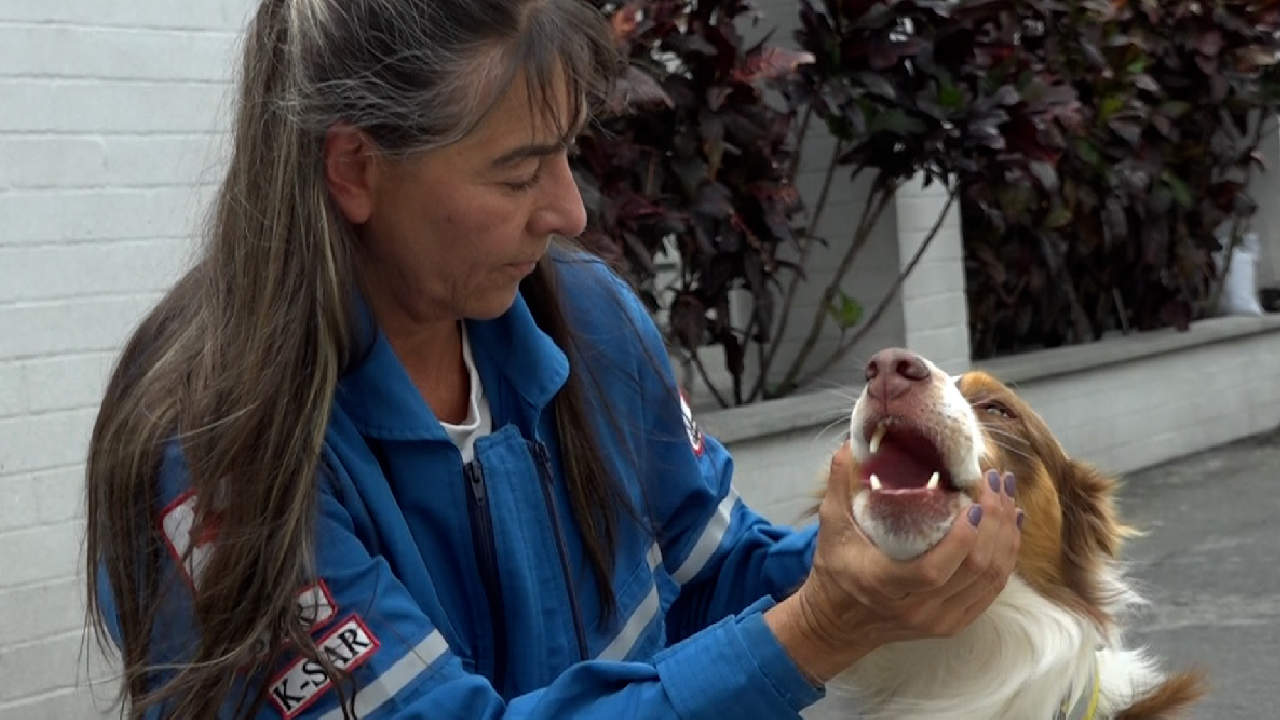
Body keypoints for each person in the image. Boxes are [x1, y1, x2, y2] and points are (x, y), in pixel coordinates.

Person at [85, 1, 1023, 718]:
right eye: (516, 171)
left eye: (568, 153)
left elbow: (710, 576)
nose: (569, 211)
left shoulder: (589, 320)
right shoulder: (216, 447)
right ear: (355, 168)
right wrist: (827, 625)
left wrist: (891, 550)